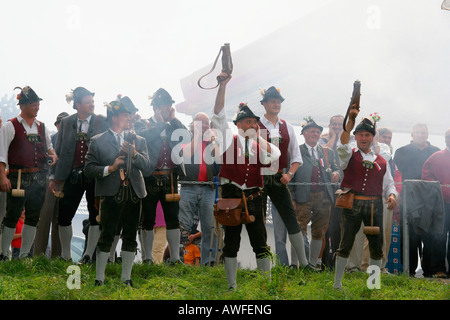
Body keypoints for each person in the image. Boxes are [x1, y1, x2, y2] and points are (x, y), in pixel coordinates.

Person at [211, 73, 281, 290]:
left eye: (255, 122)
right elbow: (218, 115)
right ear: (239, 123)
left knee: (260, 242)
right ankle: (232, 285)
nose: (252, 124)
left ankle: (265, 285)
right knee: (231, 243)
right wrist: (222, 87)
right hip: (231, 198)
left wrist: (258, 136)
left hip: (254, 199)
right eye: (248, 121)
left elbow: (276, 155)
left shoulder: (259, 146)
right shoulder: (226, 140)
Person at [84, 95, 151, 286]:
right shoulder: (97, 141)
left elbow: (147, 167)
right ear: (114, 117)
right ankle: (99, 279)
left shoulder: (139, 140)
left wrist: (134, 154)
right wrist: (110, 169)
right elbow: (89, 170)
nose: (130, 118)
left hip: (134, 194)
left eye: (130, 115)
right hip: (110, 194)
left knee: (130, 236)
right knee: (106, 235)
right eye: (125, 115)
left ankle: (126, 279)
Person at [333, 106, 397, 289]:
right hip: (351, 204)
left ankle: (373, 284)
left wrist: (392, 195)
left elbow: (389, 184)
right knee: (345, 244)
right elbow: (342, 143)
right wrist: (350, 121)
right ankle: (337, 284)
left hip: (374, 206)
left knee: (377, 247)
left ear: (372, 137)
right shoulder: (348, 154)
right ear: (356, 137)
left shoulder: (382, 161)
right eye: (360, 134)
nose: (363, 138)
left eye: (367, 135)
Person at [49, 87, 109, 263]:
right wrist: (54, 177)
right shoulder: (67, 122)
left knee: (94, 216)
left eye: (92, 101)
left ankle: (88, 255)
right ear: (77, 105)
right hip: (71, 175)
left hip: (94, 176)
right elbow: (58, 150)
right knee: (64, 216)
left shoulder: (102, 121)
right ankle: (66, 255)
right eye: (88, 101)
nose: (92, 104)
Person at [0, 86, 58, 260]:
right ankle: (4, 254)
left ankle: (25, 256)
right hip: (17, 177)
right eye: (33, 103)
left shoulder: (42, 127)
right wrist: (2, 176)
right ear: (22, 105)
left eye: (38, 103)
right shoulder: (10, 126)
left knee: (33, 216)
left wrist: (53, 155)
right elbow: (1, 155)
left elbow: (50, 149)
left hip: (39, 177)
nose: (37, 107)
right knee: (12, 215)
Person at [257, 86, 312, 269]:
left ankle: (303, 263)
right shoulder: (255, 125)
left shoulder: (287, 126)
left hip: (279, 178)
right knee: (258, 220)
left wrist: (290, 174)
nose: (276, 104)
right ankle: (263, 265)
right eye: (272, 101)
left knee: (291, 218)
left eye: (279, 101)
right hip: (259, 179)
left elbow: (296, 157)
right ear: (264, 104)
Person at [140, 88, 186, 265]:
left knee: (173, 218)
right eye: (165, 106)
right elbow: (142, 138)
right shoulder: (143, 124)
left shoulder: (173, 124)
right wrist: (159, 123)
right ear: (156, 108)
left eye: (169, 106)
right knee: (148, 219)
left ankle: (175, 258)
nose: (168, 109)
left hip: (171, 178)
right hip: (150, 176)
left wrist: (172, 119)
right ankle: (148, 258)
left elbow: (185, 136)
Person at [289, 117, 340, 268]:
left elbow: (337, 168)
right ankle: (294, 264)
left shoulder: (327, 152)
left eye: (318, 132)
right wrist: (291, 197)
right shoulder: (296, 150)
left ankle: (312, 264)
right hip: (303, 196)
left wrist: (337, 174)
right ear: (304, 133)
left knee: (319, 231)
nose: (315, 134)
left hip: (323, 197)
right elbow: (289, 175)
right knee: (298, 230)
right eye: (312, 131)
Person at [394, 123, 440, 276]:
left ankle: (430, 271)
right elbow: (397, 176)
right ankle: (408, 270)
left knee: (430, 235)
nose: (420, 135)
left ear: (427, 135)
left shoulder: (436, 152)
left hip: (430, 200)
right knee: (409, 236)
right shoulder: (401, 152)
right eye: (418, 133)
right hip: (408, 198)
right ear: (412, 135)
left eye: (423, 133)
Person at [179, 112, 219, 266]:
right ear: (192, 125)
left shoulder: (212, 143)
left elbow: (219, 158)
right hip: (189, 186)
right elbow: (187, 153)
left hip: (207, 188)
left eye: (206, 123)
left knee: (209, 226)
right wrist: (197, 135)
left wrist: (213, 139)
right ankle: (180, 258)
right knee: (184, 225)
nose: (203, 126)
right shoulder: (184, 139)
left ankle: (208, 262)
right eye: (200, 123)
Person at [33, 112, 69, 258]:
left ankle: (57, 256)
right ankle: (39, 255)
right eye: (61, 124)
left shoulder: (71, 141)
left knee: (60, 221)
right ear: (57, 125)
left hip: (65, 182)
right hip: (49, 180)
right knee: (44, 219)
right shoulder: (51, 140)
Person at [421, 128, 450, 278]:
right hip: (441, 204)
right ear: (445, 139)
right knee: (439, 236)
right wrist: (440, 189)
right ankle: (438, 269)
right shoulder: (435, 157)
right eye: (448, 136)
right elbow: (427, 178)